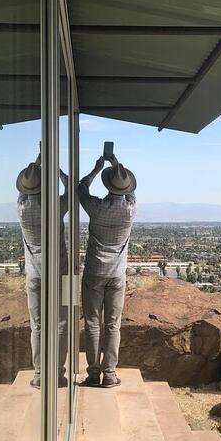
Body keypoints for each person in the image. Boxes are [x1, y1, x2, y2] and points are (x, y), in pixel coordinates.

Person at [78, 154, 137, 387]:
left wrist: (96, 169)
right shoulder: (130, 210)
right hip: (117, 274)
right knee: (113, 324)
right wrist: (116, 165)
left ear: (106, 185)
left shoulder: (96, 207)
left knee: (92, 323)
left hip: (94, 272)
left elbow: (80, 188)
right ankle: (110, 374)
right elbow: (131, 191)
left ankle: (93, 374)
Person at [16, 157, 69, 388]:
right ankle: (57, 373)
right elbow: (72, 189)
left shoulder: (21, 209)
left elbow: (22, 193)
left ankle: (39, 375)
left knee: (37, 325)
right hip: (60, 274)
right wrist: (55, 169)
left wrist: (38, 165)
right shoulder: (56, 206)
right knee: (61, 322)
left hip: (35, 275)